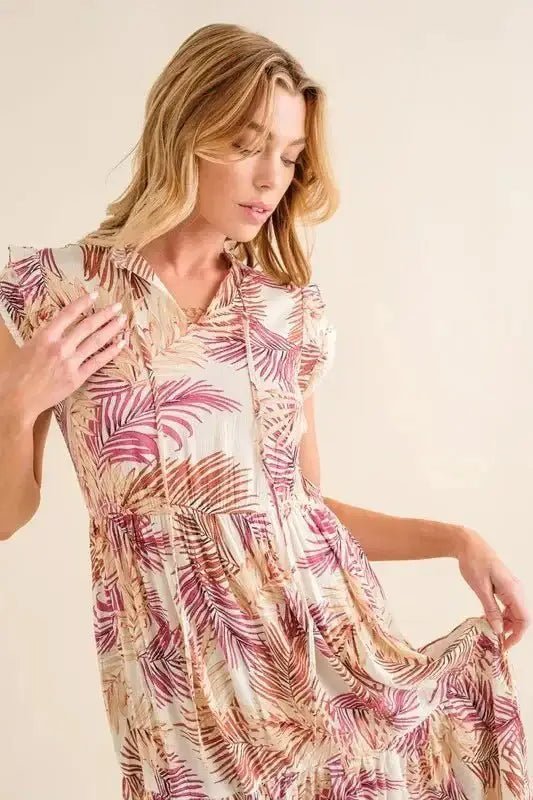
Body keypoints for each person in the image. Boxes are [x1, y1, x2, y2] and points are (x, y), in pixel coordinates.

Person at [0, 21, 530, 800]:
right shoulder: (49, 293)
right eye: (247, 145)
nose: (269, 178)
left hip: (319, 663)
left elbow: (301, 510)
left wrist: (457, 540)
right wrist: (16, 404)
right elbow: (6, 518)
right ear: (184, 130)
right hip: (174, 688)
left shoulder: (287, 314)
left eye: (288, 156)